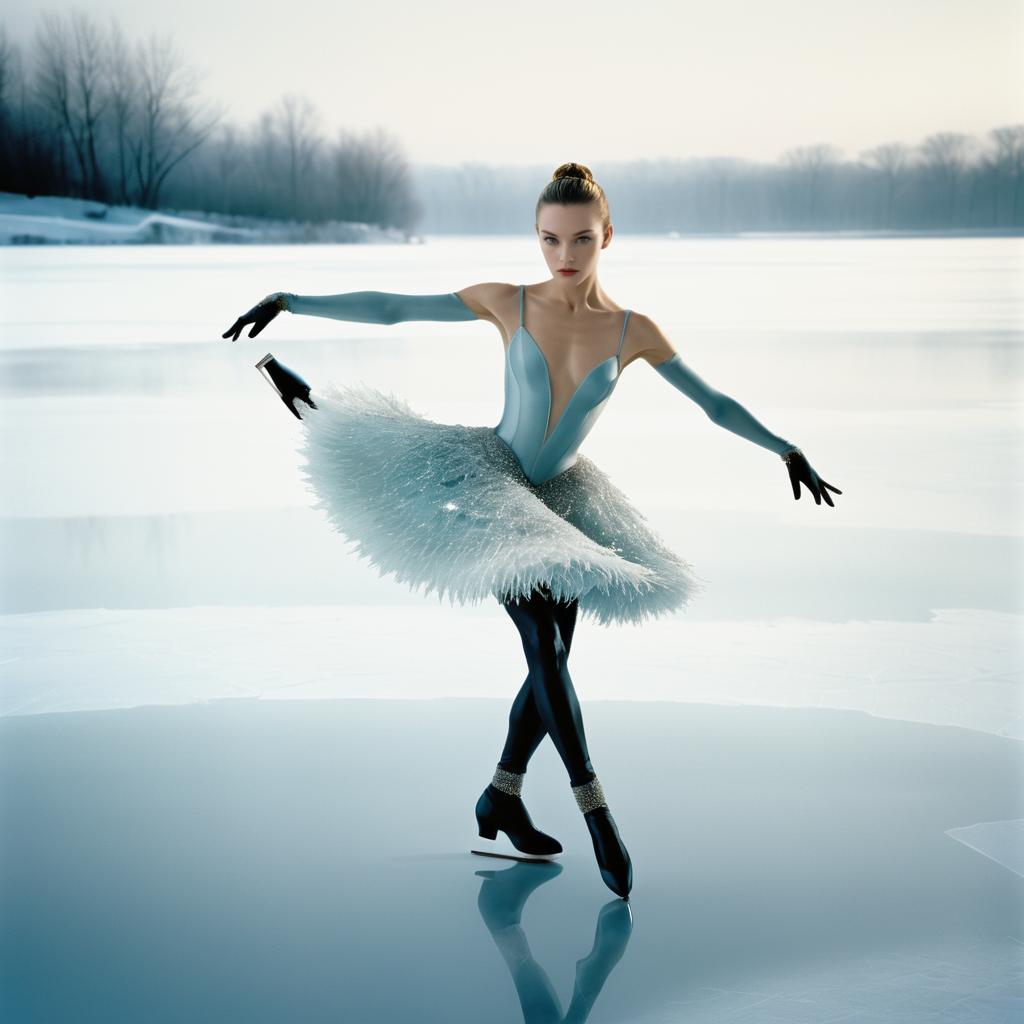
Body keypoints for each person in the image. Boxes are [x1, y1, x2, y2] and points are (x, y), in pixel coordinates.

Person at [221, 162, 842, 900]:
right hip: (492, 484)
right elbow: (394, 308)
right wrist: (293, 299)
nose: (565, 256)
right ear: (538, 239)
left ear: (607, 235)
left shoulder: (633, 330)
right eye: (551, 240)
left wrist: (786, 449)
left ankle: (501, 798)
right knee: (545, 647)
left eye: (581, 239)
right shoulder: (507, 302)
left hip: (566, 501)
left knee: (550, 663)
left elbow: (712, 402)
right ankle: (598, 815)